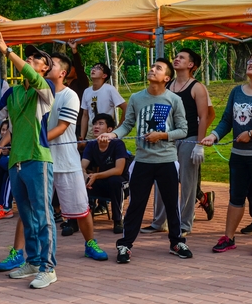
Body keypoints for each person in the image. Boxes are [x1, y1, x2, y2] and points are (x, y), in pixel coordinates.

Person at [98, 58, 190, 263]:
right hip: (142, 161)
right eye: (152, 66)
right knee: (136, 204)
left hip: (167, 160)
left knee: (172, 204)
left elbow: (183, 130)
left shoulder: (174, 100)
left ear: (166, 78)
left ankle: (177, 242)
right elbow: (127, 125)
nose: (152, 69)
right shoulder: (136, 98)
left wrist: (162, 135)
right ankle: (125, 244)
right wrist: (112, 135)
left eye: (158, 68)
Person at [0, 32, 59, 289]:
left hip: (38, 159)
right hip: (15, 161)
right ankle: (34, 262)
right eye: (29, 56)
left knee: (44, 215)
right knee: (27, 216)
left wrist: (7, 51)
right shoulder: (13, 93)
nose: (31, 59)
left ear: (45, 68)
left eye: (37, 58)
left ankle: (49, 268)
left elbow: (31, 76)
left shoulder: (46, 88)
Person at [201, 51, 252, 256]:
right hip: (238, 156)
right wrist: (214, 136)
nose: (251, 63)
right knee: (236, 197)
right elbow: (227, 120)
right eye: (250, 60)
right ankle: (228, 237)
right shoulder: (236, 91)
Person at [142, 48, 213, 236]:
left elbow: (204, 117)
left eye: (182, 57)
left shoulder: (197, 87)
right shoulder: (167, 85)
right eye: (176, 56)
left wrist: (199, 144)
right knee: (161, 179)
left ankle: (185, 223)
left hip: (189, 138)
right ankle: (160, 221)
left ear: (191, 65)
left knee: (188, 183)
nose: (176, 59)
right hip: (167, 138)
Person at [45, 53, 108, 259]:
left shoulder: (69, 95)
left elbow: (62, 127)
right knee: (30, 209)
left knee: (81, 207)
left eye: (52, 64)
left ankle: (90, 243)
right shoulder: (35, 94)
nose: (47, 66)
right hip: (40, 161)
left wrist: (35, 140)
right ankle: (18, 251)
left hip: (66, 160)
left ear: (63, 73)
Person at [81, 113, 130, 234]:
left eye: (100, 124)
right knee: (80, 180)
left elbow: (118, 170)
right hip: (100, 182)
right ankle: (74, 221)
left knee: (115, 181)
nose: (96, 126)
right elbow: (82, 166)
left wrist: (96, 175)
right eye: (94, 124)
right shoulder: (91, 144)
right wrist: (85, 175)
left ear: (109, 130)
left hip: (120, 184)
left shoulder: (118, 144)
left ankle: (118, 220)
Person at [79, 62, 127, 141]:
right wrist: (82, 137)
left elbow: (125, 107)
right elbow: (85, 115)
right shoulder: (86, 91)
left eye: (98, 68)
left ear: (104, 75)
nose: (93, 70)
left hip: (106, 134)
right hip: (91, 134)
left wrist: (118, 129)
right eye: (93, 67)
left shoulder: (110, 89)